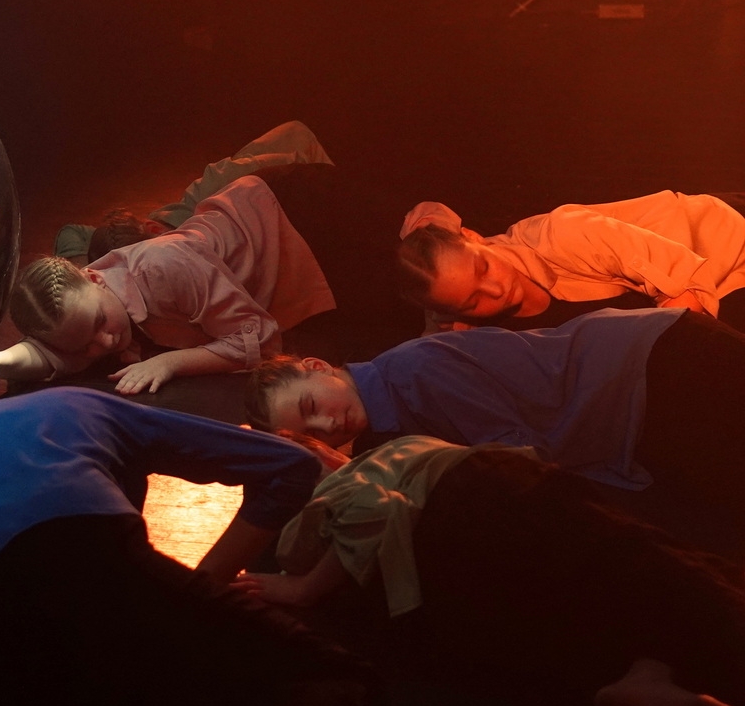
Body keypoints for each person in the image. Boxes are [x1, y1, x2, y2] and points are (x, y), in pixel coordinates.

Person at [0, 387, 377, 706]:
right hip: (95, 566)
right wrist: (205, 584)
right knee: (327, 677)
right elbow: (289, 464)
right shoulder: (77, 404)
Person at [230, 435, 745, 706]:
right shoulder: (338, 488)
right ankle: (655, 671)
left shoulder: (363, 468)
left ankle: (646, 674)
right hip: (491, 498)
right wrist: (303, 587)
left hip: (490, 504)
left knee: (617, 596)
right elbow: (373, 513)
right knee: (657, 573)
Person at [244, 307, 745, 548]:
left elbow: (521, 464)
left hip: (658, 367)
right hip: (634, 393)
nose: (328, 422)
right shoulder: (394, 409)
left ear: (317, 366)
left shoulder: (416, 374)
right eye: (315, 431)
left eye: (312, 404)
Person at [0, 173, 336, 403]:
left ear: (94, 276)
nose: (105, 343)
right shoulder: (81, 313)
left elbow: (260, 339)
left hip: (297, 215)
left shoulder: (164, 268)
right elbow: (53, 354)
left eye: (99, 323)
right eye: (86, 345)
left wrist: (169, 362)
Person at [396, 191, 745, 332]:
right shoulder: (463, 328)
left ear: (473, 237)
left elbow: (685, 284)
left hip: (722, 244)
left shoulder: (561, 234)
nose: (496, 290)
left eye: (483, 268)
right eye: (474, 300)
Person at [54, 120, 335, 264]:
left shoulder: (218, 189)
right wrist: (84, 277)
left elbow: (302, 163)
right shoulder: (131, 245)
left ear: (154, 230)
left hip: (307, 163)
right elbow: (72, 231)